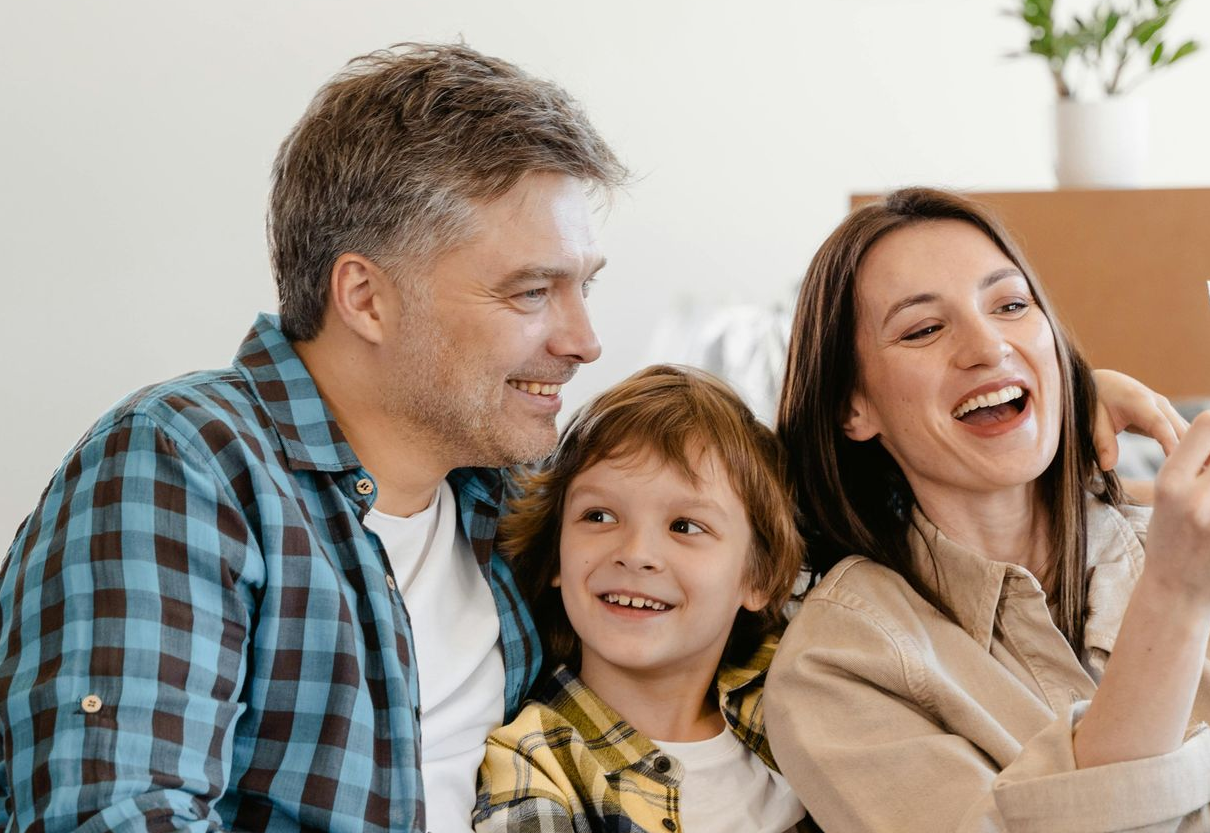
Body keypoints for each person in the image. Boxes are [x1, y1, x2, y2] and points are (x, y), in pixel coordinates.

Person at [0, 43, 626, 833]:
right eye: (532, 292)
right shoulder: (185, 463)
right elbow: (115, 815)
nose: (584, 341)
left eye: (584, 286)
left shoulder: (519, 500)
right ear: (364, 297)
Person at [766, 186, 1210, 832]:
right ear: (851, 407)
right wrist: (1172, 596)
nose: (988, 346)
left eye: (1011, 305)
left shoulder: (1171, 536)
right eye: (923, 329)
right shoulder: (836, 665)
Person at [472, 365, 817, 832]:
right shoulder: (533, 763)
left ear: (759, 577)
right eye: (599, 516)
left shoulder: (794, 688)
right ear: (556, 555)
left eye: (685, 527)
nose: (635, 554)